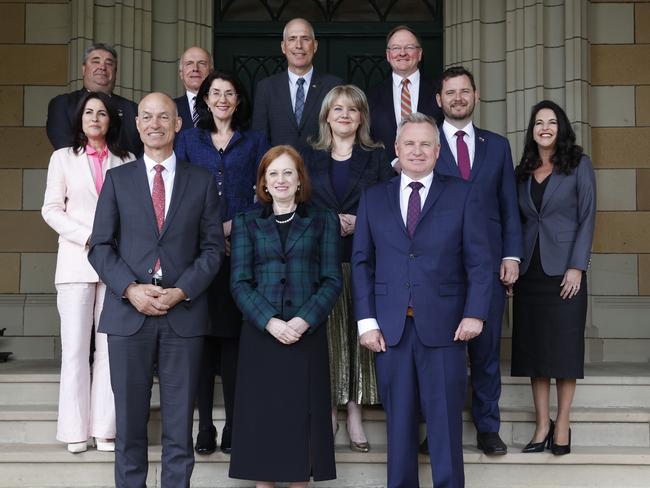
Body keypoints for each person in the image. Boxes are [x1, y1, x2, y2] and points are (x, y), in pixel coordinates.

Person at [88, 92, 225, 488]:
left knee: (179, 426)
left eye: (164, 117)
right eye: (146, 117)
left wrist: (182, 290)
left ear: (177, 124)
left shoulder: (200, 181)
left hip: (183, 314)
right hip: (129, 314)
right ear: (136, 125)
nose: (155, 124)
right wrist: (130, 289)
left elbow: (214, 248)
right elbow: (99, 246)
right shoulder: (118, 179)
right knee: (130, 425)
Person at [352, 112, 492, 488]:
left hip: (446, 327)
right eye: (409, 143)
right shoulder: (374, 198)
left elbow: (480, 260)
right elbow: (362, 262)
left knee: (445, 424)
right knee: (398, 426)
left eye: (425, 144)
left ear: (437, 150)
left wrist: (475, 313)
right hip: (391, 330)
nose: (417, 151)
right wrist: (367, 321)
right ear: (397, 149)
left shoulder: (462, 193)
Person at [421, 66, 523, 456]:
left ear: (476, 96)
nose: (458, 98)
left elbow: (508, 206)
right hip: (440, 268)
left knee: (486, 352)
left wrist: (511, 254)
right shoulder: (425, 145)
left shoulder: (496, 146)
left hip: (488, 266)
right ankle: (438, 430)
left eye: (465, 91)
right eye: (451, 92)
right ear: (439, 100)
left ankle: (487, 427)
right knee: (441, 355)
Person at [228, 145, 342, 487]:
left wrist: (302, 320)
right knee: (264, 426)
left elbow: (332, 279)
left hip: (305, 337)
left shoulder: (323, 220)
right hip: (262, 338)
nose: (280, 179)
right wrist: (271, 322)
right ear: (263, 181)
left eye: (287, 173)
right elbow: (239, 282)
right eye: (272, 173)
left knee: (300, 429)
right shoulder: (246, 222)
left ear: (299, 180)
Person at [175, 70, 269, 455]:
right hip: (197, 256)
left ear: (239, 100)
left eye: (230, 93)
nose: (223, 99)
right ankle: (205, 427)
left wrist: (233, 229)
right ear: (205, 99)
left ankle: (233, 423)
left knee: (232, 344)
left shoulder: (256, 140)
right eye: (216, 93)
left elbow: (267, 189)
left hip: (240, 254)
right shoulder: (188, 140)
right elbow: (179, 191)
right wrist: (212, 233)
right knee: (200, 342)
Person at [302, 84, 393, 452]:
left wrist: (361, 221)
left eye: (352, 110)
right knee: (325, 339)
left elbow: (390, 204)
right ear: (326, 116)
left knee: (359, 335)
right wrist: (329, 221)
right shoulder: (308, 157)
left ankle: (355, 409)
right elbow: (297, 202)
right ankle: (329, 409)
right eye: (337, 109)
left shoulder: (377, 158)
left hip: (363, 257)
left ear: (361, 118)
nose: (344, 115)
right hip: (319, 259)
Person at [42, 91, 134, 454]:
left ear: (111, 120)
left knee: (111, 347)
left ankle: (105, 428)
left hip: (115, 265)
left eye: (102, 113)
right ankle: (74, 430)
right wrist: (90, 237)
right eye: (88, 113)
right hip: (76, 262)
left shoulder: (126, 160)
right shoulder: (62, 158)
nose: (95, 118)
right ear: (79, 120)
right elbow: (50, 210)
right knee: (76, 349)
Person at [512, 100, 596, 455]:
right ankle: (541, 424)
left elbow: (589, 216)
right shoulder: (523, 169)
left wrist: (578, 266)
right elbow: (516, 220)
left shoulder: (578, 164)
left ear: (561, 127)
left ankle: (562, 423)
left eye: (551, 122)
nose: (544, 128)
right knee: (535, 351)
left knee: (563, 350)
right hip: (530, 271)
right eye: (538, 123)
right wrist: (512, 265)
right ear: (531, 131)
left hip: (565, 271)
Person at [252, 18, 342, 150]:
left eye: (305, 39)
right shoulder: (266, 88)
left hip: (323, 168)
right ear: (283, 46)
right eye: (292, 39)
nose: (298, 45)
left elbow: (341, 136)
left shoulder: (334, 86)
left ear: (315, 45)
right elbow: (259, 139)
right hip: (280, 169)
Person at [46, 42, 142, 157]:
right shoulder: (63, 104)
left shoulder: (133, 109)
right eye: (96, 61)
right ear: (84, 69)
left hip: (126, 172)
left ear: (115, 72)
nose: (102, 67)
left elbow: (143, 150)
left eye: (109, 63)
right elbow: (65, 147)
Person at [367, 25, 443, 162]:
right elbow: (367, 139)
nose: (402, 53)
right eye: (396, 48)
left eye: (409, 47)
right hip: (384, 177)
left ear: (419, 54)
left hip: (433, 174)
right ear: (388, 55)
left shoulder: (439, 91)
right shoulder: (371, 96)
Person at [175, 46, 212, 130]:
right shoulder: (170, 107)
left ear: (211, 72)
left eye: (202, 63)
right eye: (189, 63)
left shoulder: (222, 106)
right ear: (181, 73)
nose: (195, 68)